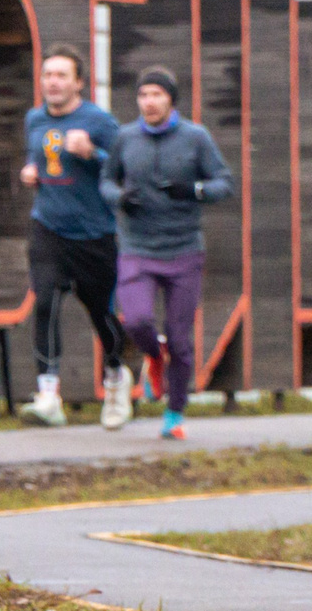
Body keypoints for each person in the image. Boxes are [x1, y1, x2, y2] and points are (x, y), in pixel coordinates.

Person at [99, 66, 234, 441]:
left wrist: (193, 191)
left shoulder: (196, 138)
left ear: (170, 99)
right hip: (137, 247)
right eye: (143, 95)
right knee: (137, 320)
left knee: (180, 338)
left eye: (157, 94)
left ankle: (174, 413)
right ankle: (153, 359)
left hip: (183, 250)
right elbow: (106, 180)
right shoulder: (126, 138)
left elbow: (225, 183)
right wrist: (119, 198)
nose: (149, 101)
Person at [17, 45, 125, 428]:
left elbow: (125, 167)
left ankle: (115, 378)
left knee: (102, 315)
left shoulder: (98, 121)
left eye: (62, 75)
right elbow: (41, 155)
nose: (53, 82)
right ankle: (48, 395)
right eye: (48, 74)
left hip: (94, 235)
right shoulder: (35, 119)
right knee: (44, 302)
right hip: (48, 227)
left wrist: (93, 153)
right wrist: (31, 169)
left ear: (79, 83)